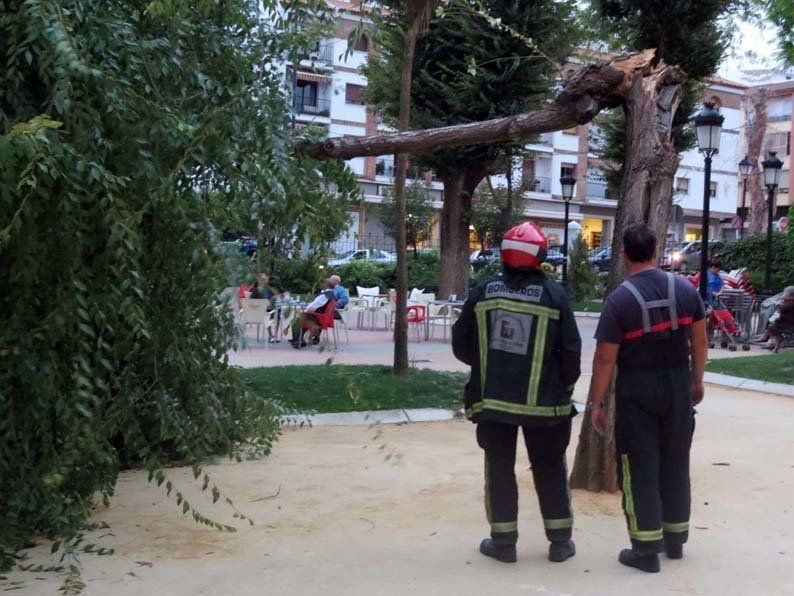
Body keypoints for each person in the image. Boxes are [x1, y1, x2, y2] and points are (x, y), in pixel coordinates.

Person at [452, 222, 582, 565]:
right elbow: (571, 351)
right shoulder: (555, 295)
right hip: (546, 406)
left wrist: (488, 364)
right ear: (539, 257)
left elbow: (461, 345)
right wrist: (565, 387)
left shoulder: (483, 292)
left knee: (499, 468)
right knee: (550, 467)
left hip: (493, 402)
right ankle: (559, 542)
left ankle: (504, 542)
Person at [588, 223, 708, 574]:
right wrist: (696, 381)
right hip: (677, 387)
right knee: (675, 462)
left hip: (638, 393)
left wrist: (596, 404)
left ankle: (644, 550)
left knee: (639, 467)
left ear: (624, 254)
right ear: (656, 250)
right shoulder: (685, 290)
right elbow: (698, 343)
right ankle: (675, 541)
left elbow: (605, 359)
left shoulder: (619, 300)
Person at [292, 279, 336, 349]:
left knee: (296, 319)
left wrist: (305, 310)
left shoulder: (324, 295)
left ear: (326, 285)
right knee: (303, 317)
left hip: (317, 318)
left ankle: (298, 340)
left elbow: (313, 306)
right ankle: (299, 339)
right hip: (323, 318)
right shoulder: (332, 295)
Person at [764, 286, 794, 352]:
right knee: (771, 325)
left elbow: (782, 308)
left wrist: (779, 303)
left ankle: (775, 343)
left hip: (786, 324)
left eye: (786, 294)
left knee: (771, 328)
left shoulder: (791, 303)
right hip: (785, 323)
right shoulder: (789, 302)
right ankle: (772, 343)